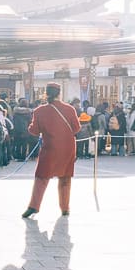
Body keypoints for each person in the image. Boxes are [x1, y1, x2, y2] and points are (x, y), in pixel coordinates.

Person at [22, 83, 81, 218]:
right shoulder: (70, 109)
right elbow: (77, 128)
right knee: (65, 178)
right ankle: (65, 208)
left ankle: (34, 206)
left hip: (50, 148)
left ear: (46, 94)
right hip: (67, 148)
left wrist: (32, 125)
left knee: (41, 177)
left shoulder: (39, 111)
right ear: (59, 94)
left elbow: (34, 131)